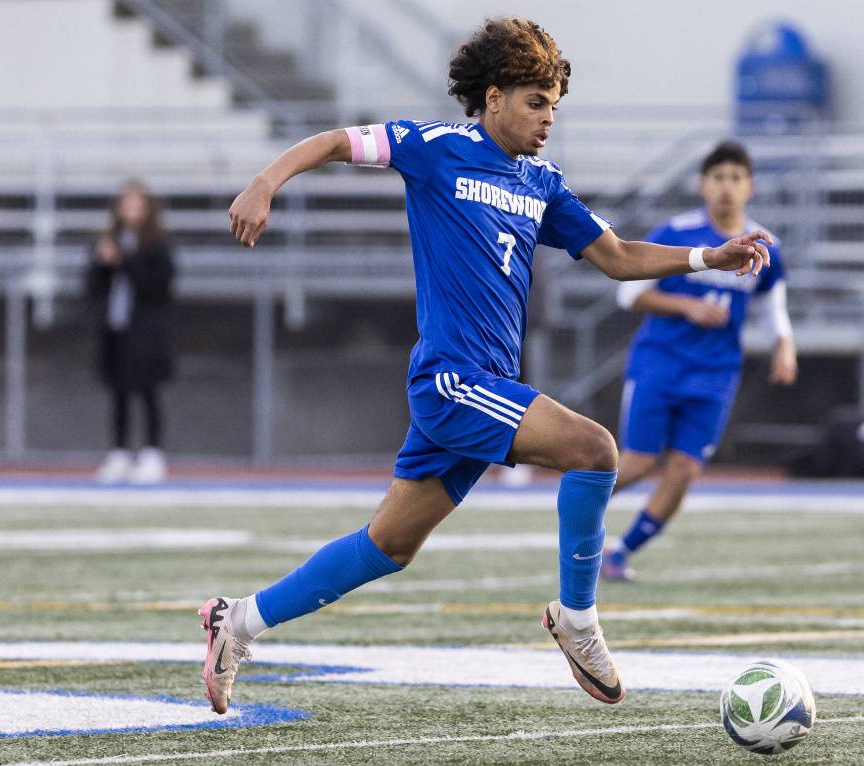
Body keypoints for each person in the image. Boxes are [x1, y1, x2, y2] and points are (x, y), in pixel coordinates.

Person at [200, 18, 772, 715]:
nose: (547, 120)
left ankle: (239, 622)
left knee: (389, 546)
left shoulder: (542, 182)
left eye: (555, 107)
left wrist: (707, 258)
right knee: (595, 450)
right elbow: (334, 141)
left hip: (483, 387)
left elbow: (617, 257)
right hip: (452, 378)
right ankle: (577, 619)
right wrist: (264, 182)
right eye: (536, 102)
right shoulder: (434, 147)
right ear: (494, 97)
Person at [601, 141, 797, 581]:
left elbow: (771, 305)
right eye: (718, 177)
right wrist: (687, 308)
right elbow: (629, 293)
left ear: (750, 187)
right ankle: (578, 508)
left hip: (716, 372)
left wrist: (784, 343)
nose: (726, 187)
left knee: (685, 468)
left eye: (735, 178)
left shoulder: (767, 244)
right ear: (701, 185)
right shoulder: (676, 232)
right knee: (638, 460)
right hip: (661, 362)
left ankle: (620, 553)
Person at [86, 180, 175, 484]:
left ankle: (152, 453)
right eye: (126, 205)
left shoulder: (156, 245)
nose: (131, 211)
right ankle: (119, 453)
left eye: (137, 205)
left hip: (146, 332)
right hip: (116, 329)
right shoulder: (108, 240)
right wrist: (103, 263)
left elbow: (156, 287)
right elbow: (92, 286)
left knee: (148, 391)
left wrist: (123, 261)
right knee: (119, 393)